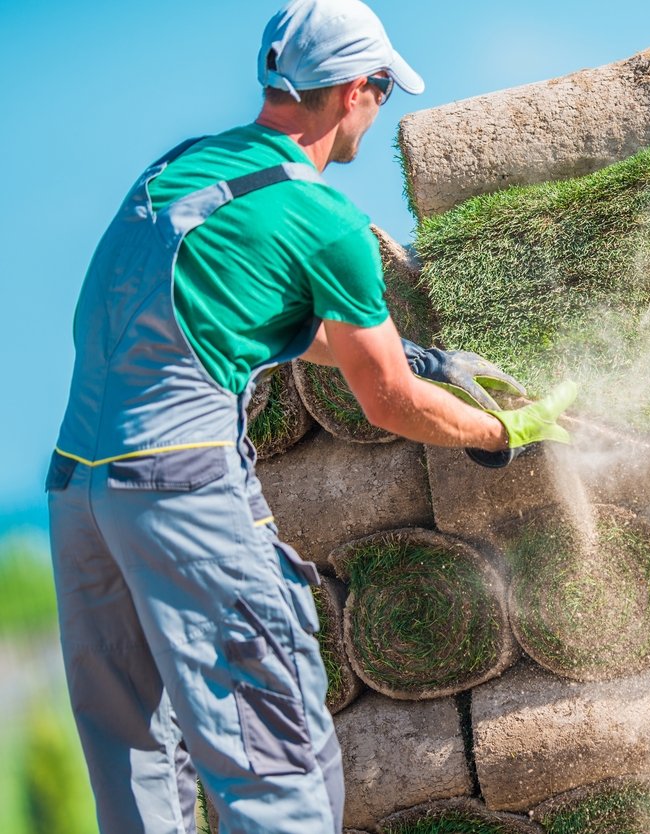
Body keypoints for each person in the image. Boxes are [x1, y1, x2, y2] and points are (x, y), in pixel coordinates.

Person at [45, 1, 575, 831]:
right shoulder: (324, 220)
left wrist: (422, 357)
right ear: (356, 90)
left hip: (80, 493)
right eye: (383, 92)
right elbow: (386, 400)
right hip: (182, 490)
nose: (379, 109)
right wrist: (502, 433)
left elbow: (242, 309)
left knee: (136, 752)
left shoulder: (180, 168)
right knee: (274, 758)